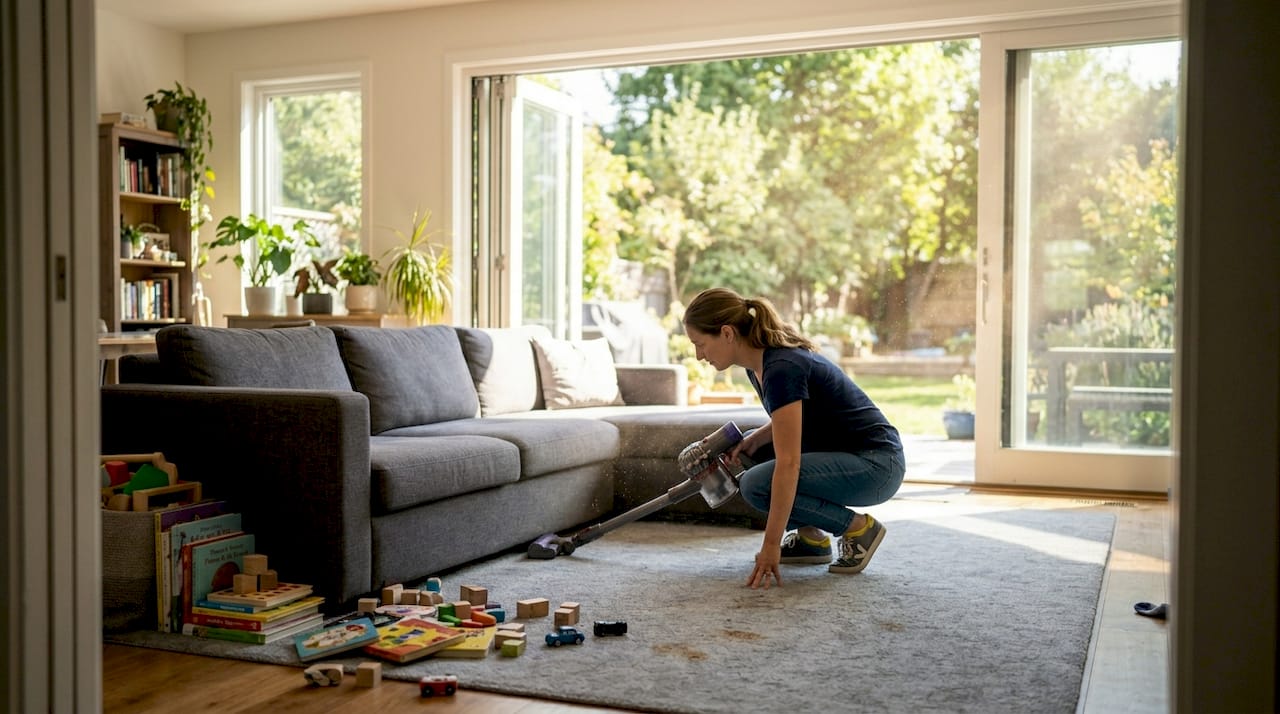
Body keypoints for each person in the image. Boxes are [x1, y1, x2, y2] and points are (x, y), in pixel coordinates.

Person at [682, 288, 905, 589]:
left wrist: (770, 544)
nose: (699, 355)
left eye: (700, 344)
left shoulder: (781, 368)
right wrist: (755, 439)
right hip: (851, 456)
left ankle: (857, 528)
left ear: (726, 333)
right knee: (752, 446)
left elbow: (789, 463)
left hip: (877, 465)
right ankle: (811, 539)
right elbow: (796, 421)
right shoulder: (758, 366)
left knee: (755, 484)